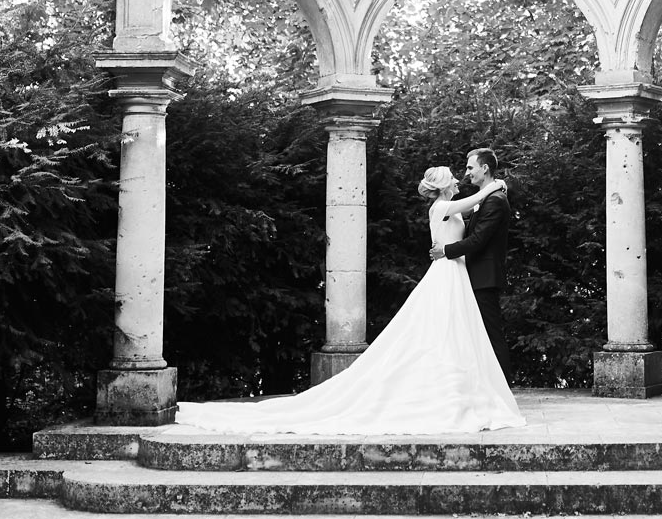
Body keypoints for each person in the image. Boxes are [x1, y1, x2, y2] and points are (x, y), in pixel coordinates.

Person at [173, 165, 524, 436]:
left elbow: (472, 219)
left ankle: (462, 390)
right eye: (453, 177)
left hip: (456, 274)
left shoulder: (452, 207)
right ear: (443, 185)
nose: (459, 179)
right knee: (438, 333)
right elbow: (472, 202)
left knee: (456, 335)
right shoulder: (442, 206)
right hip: (446, 275)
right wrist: (494, 186)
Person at [429, 148, 514, 384]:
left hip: (483, 276)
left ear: (484, 168)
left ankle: (502, 388)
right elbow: (473, 211)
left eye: (469, 168)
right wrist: (496, 184)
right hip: (464, 275)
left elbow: (478, 240)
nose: (465, 174)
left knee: (490, 334)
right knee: (470, 334)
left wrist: (444, 251)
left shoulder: (494, 200)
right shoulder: (481, 199)